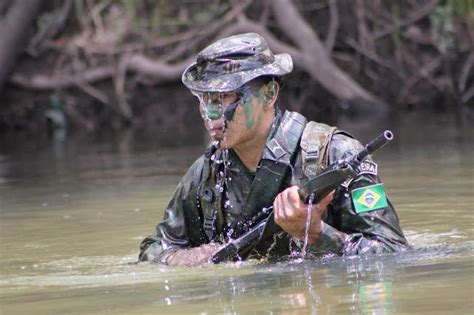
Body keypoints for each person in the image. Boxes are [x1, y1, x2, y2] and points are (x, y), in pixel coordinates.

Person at [139, 33, 408, 266]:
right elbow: (154, 248)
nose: (210, 113)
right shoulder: (205, 174)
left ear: (269, 94)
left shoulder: (337, 155)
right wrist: (185, 258)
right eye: (204, 98)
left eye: (225, 97)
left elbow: (393, 254)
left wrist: (316, 233)